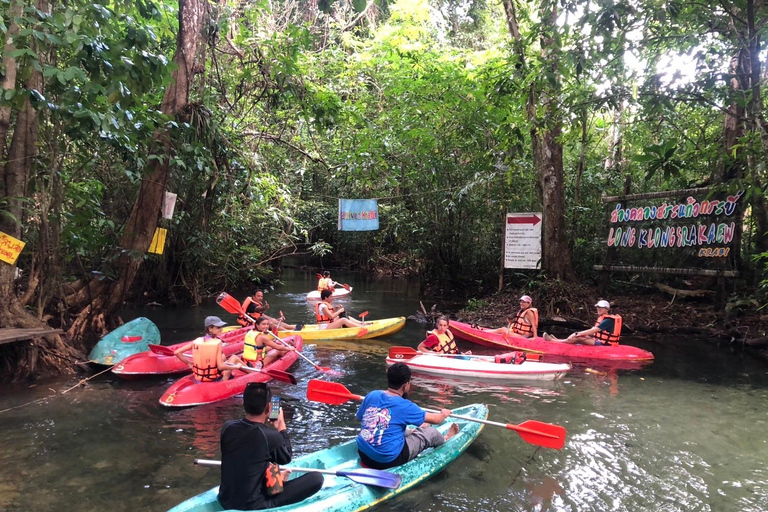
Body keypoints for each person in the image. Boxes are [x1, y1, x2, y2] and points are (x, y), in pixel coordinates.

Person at [218, 382, 323, 510]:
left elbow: (249, 460)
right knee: (317, 478)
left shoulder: (227, 427)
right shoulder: (270, 437)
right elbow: (286, 458)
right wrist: (281, 427)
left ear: (243, 404)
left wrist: (277, 477)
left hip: (225, 500)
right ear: (268, 407)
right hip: (254, 505)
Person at [356, 362, 459, 470]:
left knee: (393, 425)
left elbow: (359, 418)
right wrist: (444, 413)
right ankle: (446, 438)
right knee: (430, 432)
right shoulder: (405, 406)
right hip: (387, 460)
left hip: (363, 453)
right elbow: (436, 420)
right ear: (406, 385)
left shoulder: (372, 395)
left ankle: (410, 431)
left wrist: (409, 432)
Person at [174, 316, 246, 382]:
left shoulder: (197, 340)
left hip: (200, 377)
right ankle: (254, 374)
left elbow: (177, 352)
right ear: (210, 329)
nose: (221, 329)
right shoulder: (217, 342)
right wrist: (236, 366)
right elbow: (221, 366)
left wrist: (189, 363)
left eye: (221, 327)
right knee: (234, 358)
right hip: (216, 379)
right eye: (218, 327)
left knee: (231, 358)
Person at [543, 300, 622, 346]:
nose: (598, 309)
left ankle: (554, 341)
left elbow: (593, 331)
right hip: (599, 340)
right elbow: (592, 330)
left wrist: (578, 334)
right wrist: (581, 334)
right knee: (581, 335)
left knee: (579, 338)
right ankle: (561, 340)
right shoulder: (603, 318)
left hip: (606, 344)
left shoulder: (608, 320)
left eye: (601, 307)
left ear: (607, 309)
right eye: (598, 307)